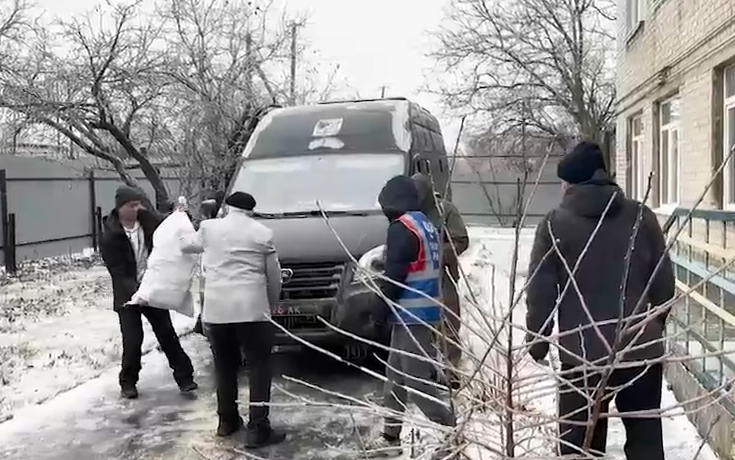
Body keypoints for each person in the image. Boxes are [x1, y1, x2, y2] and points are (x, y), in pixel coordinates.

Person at [525, 141, 675, 459]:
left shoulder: (553, 224)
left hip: (581, 355)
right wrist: (652, 326)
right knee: (646, 440)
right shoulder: (641, 216)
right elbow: (663, 284)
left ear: (571, 182)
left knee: (579, 444)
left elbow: (541, 292)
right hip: (639, 352)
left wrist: (537, 340)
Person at [181, 191, 286, 449]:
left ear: (227, 208)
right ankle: (258, 429)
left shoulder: (209, 228)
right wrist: (270, 306)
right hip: (252, 311)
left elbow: (186, 245)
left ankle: (226, 422)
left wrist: (179, 225)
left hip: (217, 312)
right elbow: (275, 278)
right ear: (251, 210)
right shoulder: (262, 233)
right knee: (259, 367)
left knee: (224, 366)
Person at [365, 175, 457, 459]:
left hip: (410, 313)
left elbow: (395, 276)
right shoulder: (425, 223)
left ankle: (454, 431)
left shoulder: (401, 228)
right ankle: (390, 436)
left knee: (415, 381)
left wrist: (378, 312)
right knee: (395, 377)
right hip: (423, 308)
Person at [99, 186, 197, 400]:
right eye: (132, 205)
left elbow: (169, 224)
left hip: (153, 288)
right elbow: (117, 271)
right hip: (128, 296)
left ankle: (185, 378)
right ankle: (128, 383)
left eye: (139, 204)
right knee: (133, 341)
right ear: (121, 207)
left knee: (167, 334)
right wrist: (135, 294)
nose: (138, 208)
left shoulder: (147, 220)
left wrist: (180, 213)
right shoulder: (110, 235)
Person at [411, 173, 469, 389]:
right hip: (415, 277)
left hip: (443, 275)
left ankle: (449, 370)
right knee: (421, 324)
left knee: (448, 323)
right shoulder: (409, 213)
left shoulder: (445, 210)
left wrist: (434, 253)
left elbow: (461, 240)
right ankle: (424, 371)